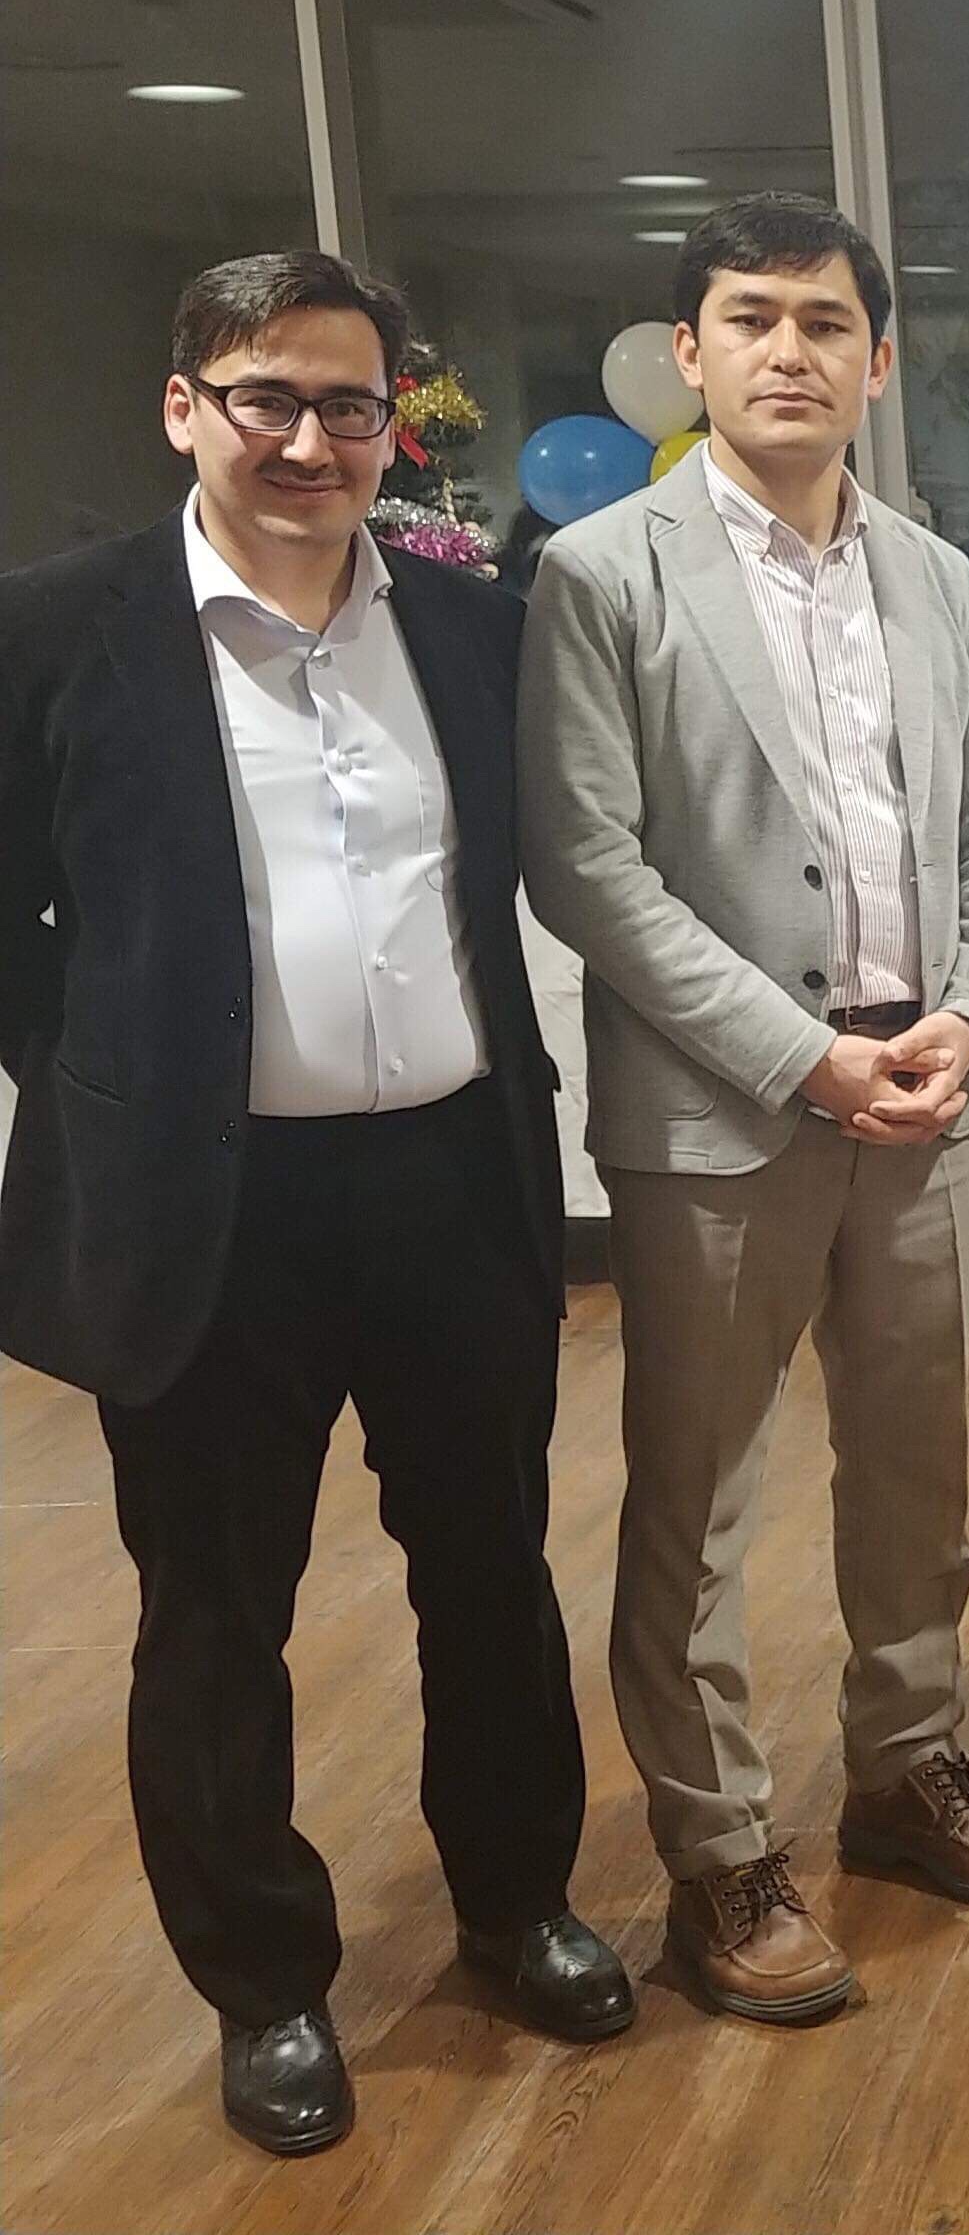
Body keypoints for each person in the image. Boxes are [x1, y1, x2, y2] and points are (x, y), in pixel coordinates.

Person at [0, 253, 626, 2156]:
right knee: (215, 1614)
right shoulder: (56, 628)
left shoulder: (474, 626)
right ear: (183, 406)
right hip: (208, 1211)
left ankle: (515, 1901)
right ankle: (265, 1983)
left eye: (347, 406)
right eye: (264, 397)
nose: (306, 441)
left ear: (391, 426)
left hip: (451, 1179)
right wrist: (113, 1079)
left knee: (491, 1569)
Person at [521, 192, 969, 2026]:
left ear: (876, 362)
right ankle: (717, 1847)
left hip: (923, 1099)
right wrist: (796, 1051)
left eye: (825, 323)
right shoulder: (605, 574)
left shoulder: (937, 578)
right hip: (722, 1118)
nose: (788, 352)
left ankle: (906, 1769)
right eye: (749, 318)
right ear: (690, 353)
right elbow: (587, 867)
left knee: (919, 1474)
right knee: (698, 1501)